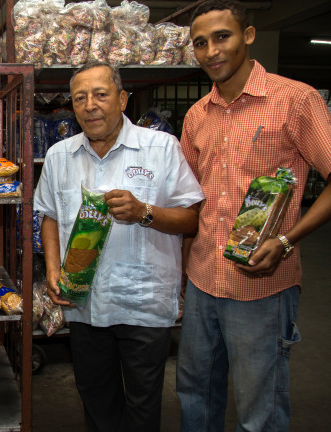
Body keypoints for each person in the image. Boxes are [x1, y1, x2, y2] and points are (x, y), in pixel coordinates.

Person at [177, 1, 331, 430]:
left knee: (258, 407)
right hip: (203, 279)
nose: (211, 51)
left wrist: (285, 241)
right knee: (195, 393)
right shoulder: (197, 116)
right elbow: (190, 202)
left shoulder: (295, 100)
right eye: (200, 43)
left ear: (247, 35)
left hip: (262, 286)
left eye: (221, 37)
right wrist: (182, 277)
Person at [34, 61, 204, 432]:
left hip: (143, 303)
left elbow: (191, 218)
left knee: (142, 408)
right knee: (96, 402)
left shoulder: (161, 148)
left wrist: (145, 212)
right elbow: (49, 217)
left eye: (100, 94)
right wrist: (52, 269)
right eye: (80, 98)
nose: (90, 105)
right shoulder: (60, 156)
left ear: (122, 99)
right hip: (85, 305)